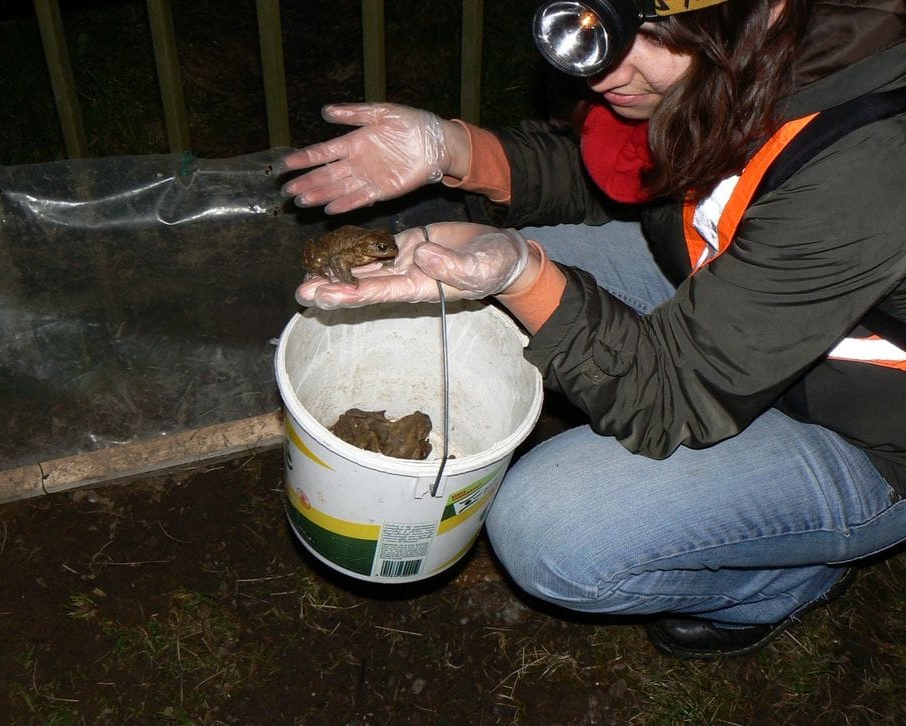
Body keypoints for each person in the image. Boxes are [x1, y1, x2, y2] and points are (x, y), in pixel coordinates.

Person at [279, 0, 906, 659]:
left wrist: (524, 276)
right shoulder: (743, 57)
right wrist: (458, 151)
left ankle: (781, 583)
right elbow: (631, 171)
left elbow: (672, 392)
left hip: (869, 427)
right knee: (491, 277)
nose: (604, 76)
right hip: (740, 292)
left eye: (652, 33)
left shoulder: (870, 157)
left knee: (549, 531)